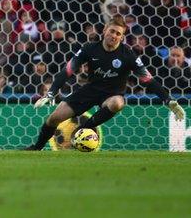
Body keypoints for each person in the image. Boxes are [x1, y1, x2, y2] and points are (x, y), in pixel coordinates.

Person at [24, 16, 185, 151]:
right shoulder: (89, 48)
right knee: (54, 118)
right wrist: (52, 92)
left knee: (117, 103)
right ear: (105, 31)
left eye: (118, 34)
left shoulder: (128, 55)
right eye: (112, 31)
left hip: (112, 94)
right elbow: (68, 70)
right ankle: (36, 148)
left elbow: (149, 81)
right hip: (90, 90)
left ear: (122, 37)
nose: (114, 35)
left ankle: (83, 130)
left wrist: (167, 99)